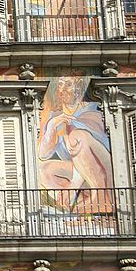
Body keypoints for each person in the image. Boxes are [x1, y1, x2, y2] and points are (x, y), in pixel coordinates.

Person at [39, 77, 113, 211]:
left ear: (78, 90)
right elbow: (43, 154)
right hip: (79, 173)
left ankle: (101, 198)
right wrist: (51, 127)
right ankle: (74, 206)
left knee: (77, 135)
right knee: (43, 169)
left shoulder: (93, 111)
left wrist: (74, 184)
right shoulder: (56, 116)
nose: (63, 89)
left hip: (104, 169)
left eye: (68, 85)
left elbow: (87, 150)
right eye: (60, 85)